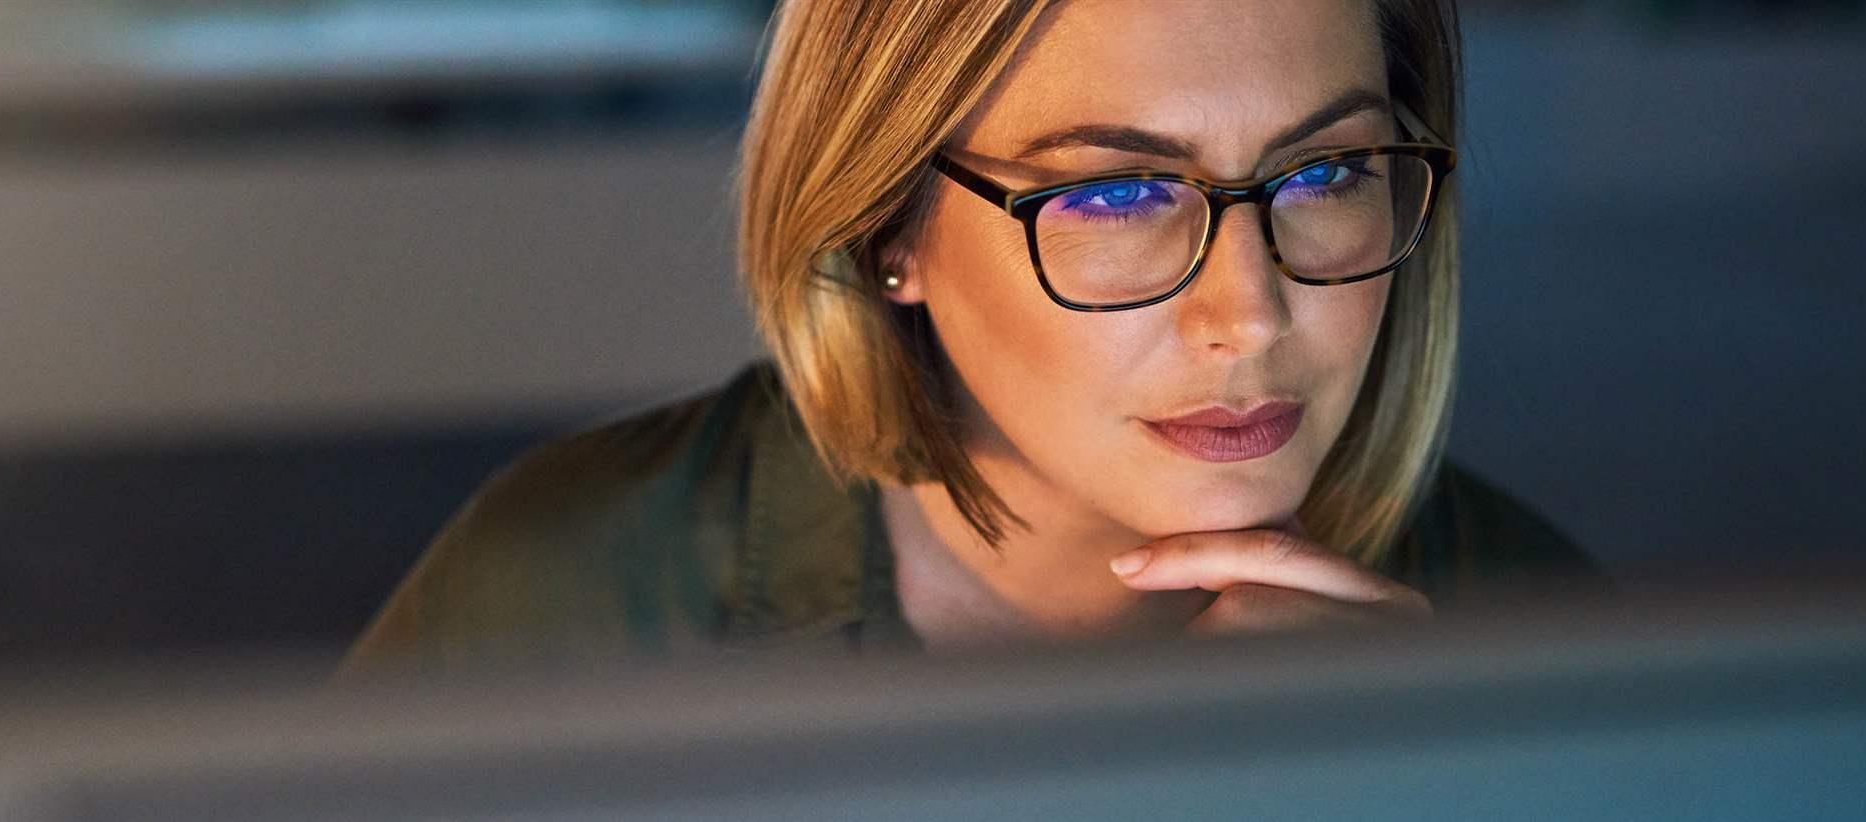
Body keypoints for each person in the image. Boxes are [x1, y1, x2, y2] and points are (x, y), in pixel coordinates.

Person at [344, 0, 1606, 673]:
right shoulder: (569, 605)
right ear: (886, 224)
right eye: (1113, 196)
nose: (1250, 314)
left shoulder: (1526, 632)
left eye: (1329, 175)